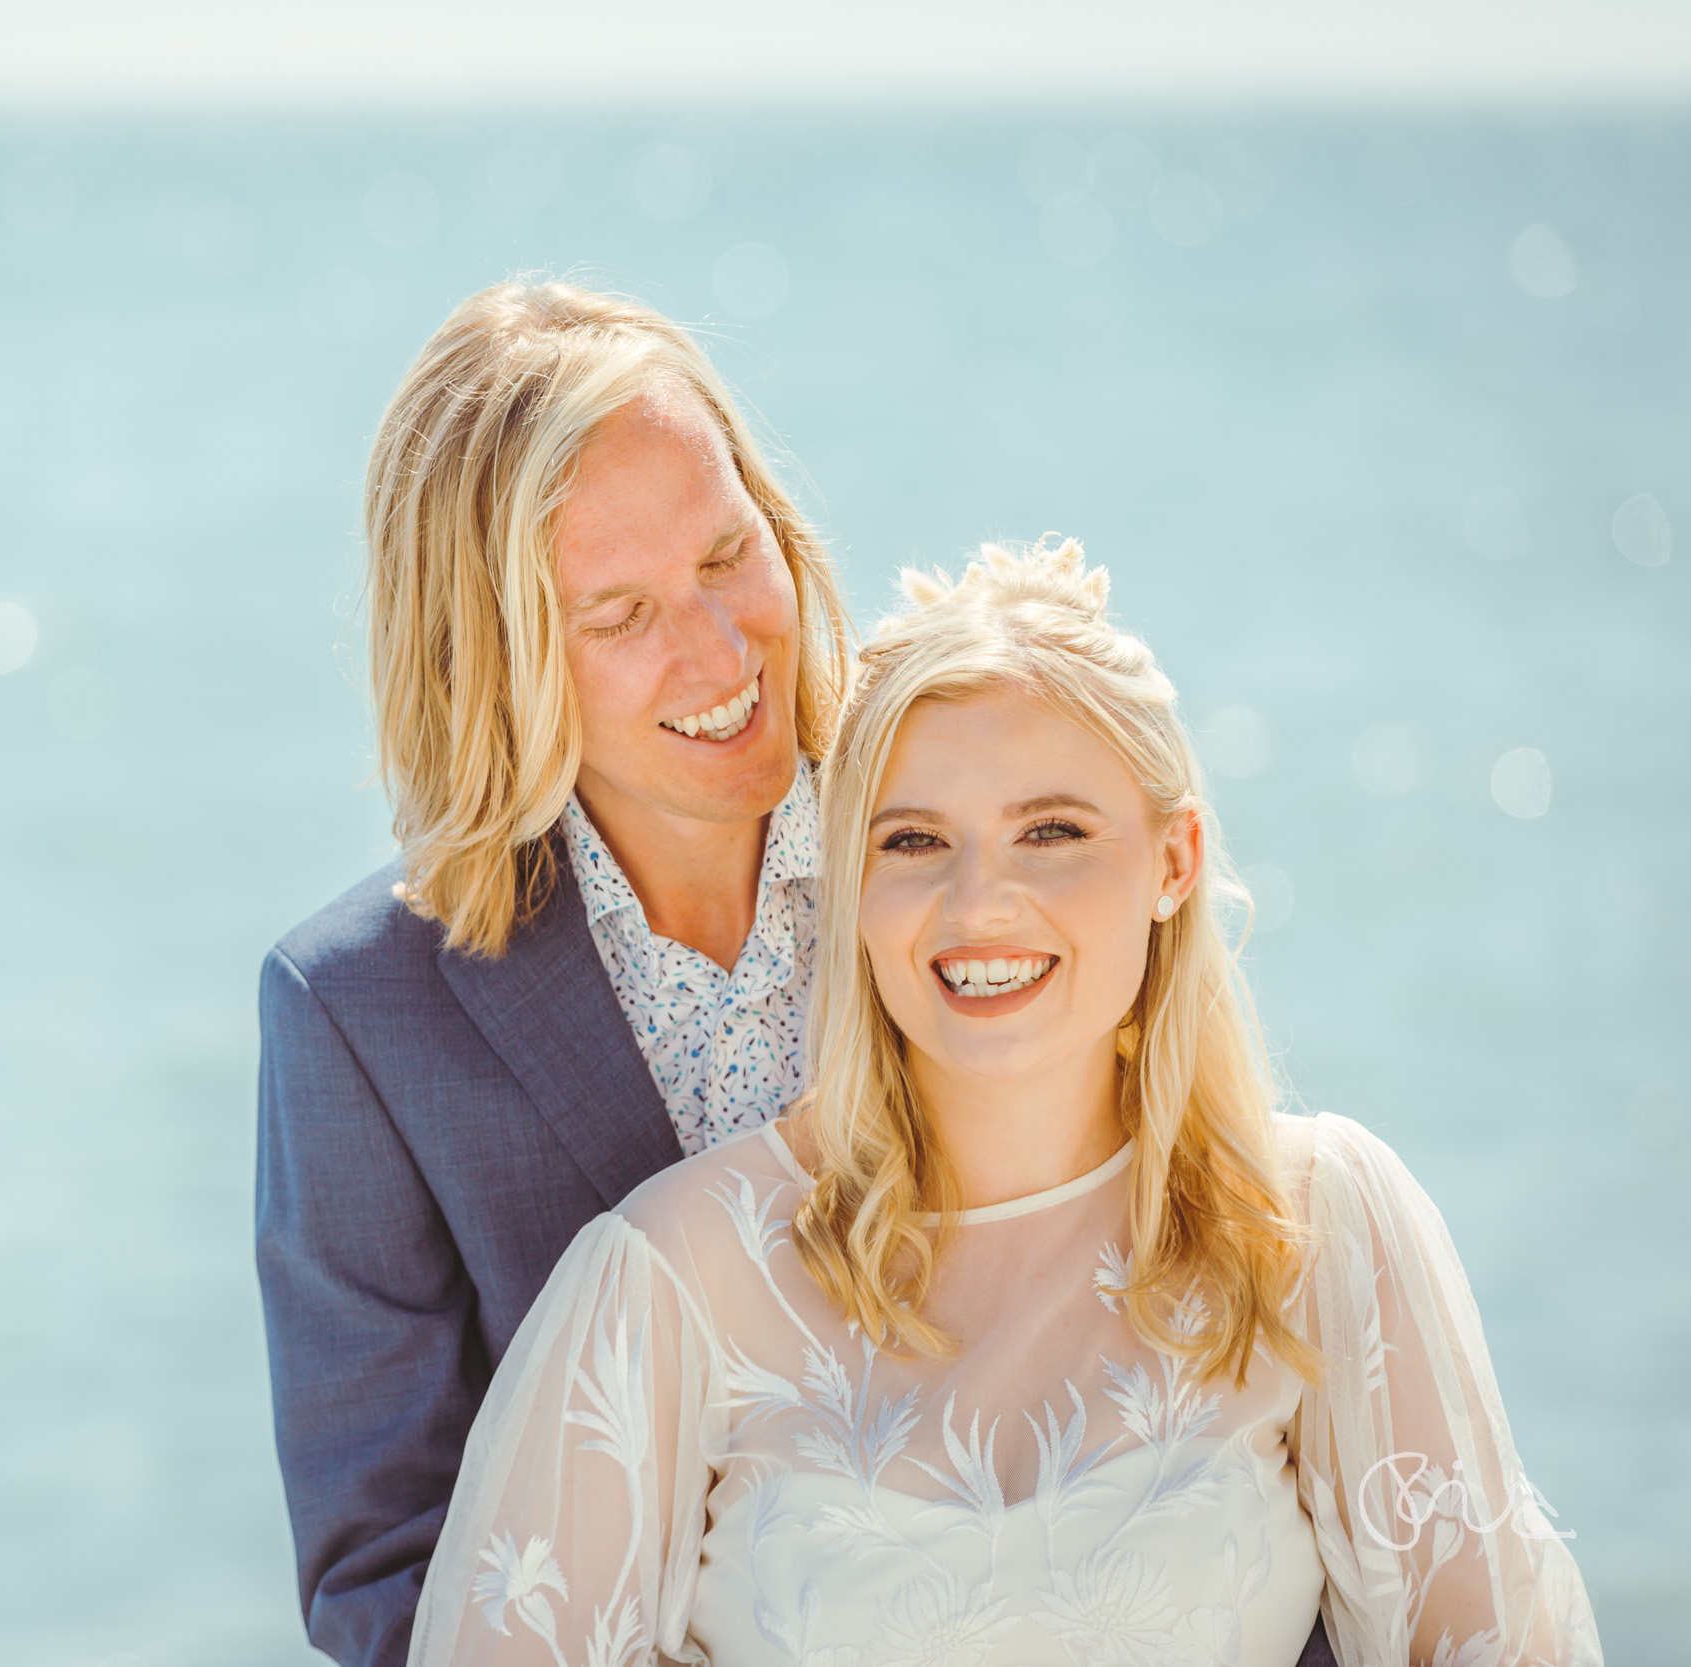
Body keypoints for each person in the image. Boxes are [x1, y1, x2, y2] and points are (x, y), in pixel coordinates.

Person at [407, 541, 1600, 1666]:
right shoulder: (667, 1279)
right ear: (852, 882)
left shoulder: (1319, 1223)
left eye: (1052, 830)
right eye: (916, 839)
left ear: (1173, 860)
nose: (980, 903)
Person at [254, 280, 854, 1667]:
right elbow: (385, 1572)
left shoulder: (970, 843)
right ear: (497, 658)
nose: (715, 648)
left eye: (726, 552)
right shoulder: (358, 1015)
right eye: (621, 610)